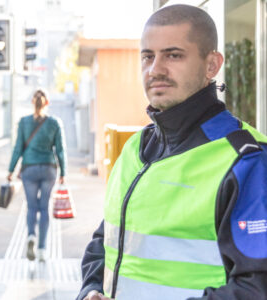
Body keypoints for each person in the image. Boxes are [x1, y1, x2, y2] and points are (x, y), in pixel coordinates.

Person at [78, 5, 267, 300]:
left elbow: (257, 287)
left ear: (212, 65)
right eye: (148, 56)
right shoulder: (134, 150)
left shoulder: (247, 159)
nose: (156, 69)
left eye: (173, 55)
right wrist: (90, 290)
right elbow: (107, 241)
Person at [7, 89, 66, 262]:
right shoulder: (54, 123)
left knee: (32, 207)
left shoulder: (24, 122)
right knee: (44, 207)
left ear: (33, 102)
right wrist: (63, 172)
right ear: (47, 103)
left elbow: (18, 148)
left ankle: (31, 235)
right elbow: (60, 150)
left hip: (29, 169)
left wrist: (10, 170)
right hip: (48, 169)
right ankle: (42, 249)